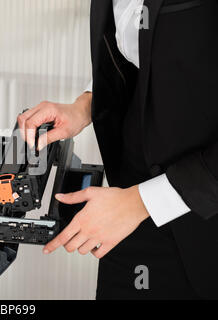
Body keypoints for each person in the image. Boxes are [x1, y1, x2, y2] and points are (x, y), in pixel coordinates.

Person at [18, 0, 218, 299]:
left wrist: (141, 202)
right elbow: (142, 50)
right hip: (129, 192)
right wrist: (85, 105)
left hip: (203, 217)